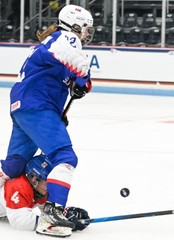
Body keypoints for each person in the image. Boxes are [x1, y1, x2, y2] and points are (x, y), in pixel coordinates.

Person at [0, 4, 94, 237]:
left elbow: (60, 75)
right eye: (85, 29)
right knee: (65, 156)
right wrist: (84, 80)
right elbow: (78, 63)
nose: (86, 34)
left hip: (24, 107)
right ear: (75, 25)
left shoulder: (50, 42)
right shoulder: (66, 37)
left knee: (13, 166)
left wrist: (72, 87)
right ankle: (54, 213)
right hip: (36, 106)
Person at [0, 154, 90, 237]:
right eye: (47, 182)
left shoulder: (39, 189)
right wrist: (55, 224)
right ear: (34, 177)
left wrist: (65, 215)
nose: (50, 187)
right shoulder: (18, 186)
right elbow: (20, 221)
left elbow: (48, 212)